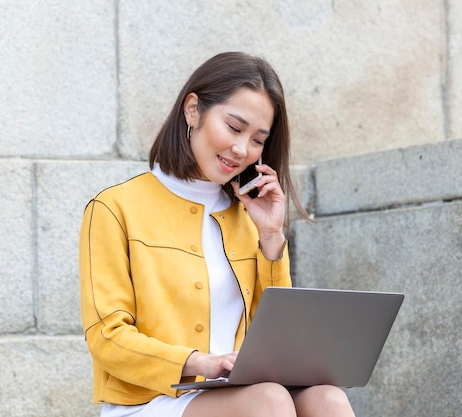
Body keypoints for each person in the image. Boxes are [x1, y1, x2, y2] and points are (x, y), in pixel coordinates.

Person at [79, 51, 356, 417]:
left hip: (237, 394)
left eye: (258, 140)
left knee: (327, 399)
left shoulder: (248, 217)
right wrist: (199, 362)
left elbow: (275, 340)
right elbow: (107, 337)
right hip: (152, 402)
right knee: (269, 400)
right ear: (193, 110)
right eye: (234, 127)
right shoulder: (115, 208)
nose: (242, 150)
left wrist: (271, 235)